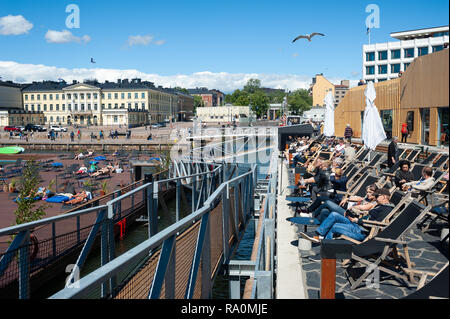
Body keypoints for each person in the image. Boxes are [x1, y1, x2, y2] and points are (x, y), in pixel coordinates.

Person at [300, 188, 393, 243]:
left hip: (362, 232)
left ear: (384, 197)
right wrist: (357, 219)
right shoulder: (381, 206)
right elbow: (369, 216)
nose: (375, 198)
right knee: (334, 214)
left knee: (334, 226)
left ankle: (325, 248)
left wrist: (358, 221)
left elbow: (377, 224)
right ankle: (319, 234)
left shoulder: (386, 209)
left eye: (377, 196)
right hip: (358, 225)